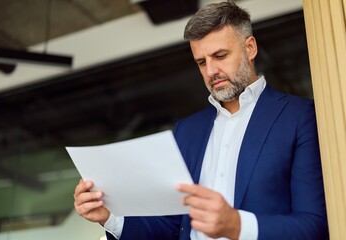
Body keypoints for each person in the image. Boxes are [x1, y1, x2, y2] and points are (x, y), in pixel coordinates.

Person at [73, 1, 328, 239]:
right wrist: (110, 218)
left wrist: (237, 225)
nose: (211, 71)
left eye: (220, 56)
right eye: (201, 62)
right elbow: (173, 226)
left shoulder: (300, 116)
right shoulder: (188, 130)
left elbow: (315, 225)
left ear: (250, 48)